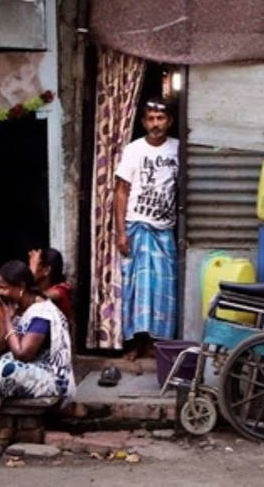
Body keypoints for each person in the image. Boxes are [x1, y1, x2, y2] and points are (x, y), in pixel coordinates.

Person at [116, 100, 180, 357]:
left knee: (163, 288)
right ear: (143, 122)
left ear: (170, 121)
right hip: (137, 226)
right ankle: (137, 344)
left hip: (165, 229)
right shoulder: (133, 150)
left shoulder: (179, 149)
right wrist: (120, 232)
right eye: (151, 119)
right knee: (137, 288)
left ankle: (158, 345)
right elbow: (121, 191)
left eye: (160, 118)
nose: (156, 124)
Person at [0, 260, 74, 410]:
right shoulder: (17, 306)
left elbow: (23, 354)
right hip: (26, 366)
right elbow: (0, 346)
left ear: (21, 286)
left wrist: (6, 317)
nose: (0, 293)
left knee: (8, 370)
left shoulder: (42, 312)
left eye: (4, 288)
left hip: (48, 375)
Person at [0, 247, 74, 346]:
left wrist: (30, 273)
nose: (29, 268)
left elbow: (36, 297)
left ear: (46, 270)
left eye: (34, 265)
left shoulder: (61, 290)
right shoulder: (36, 290)